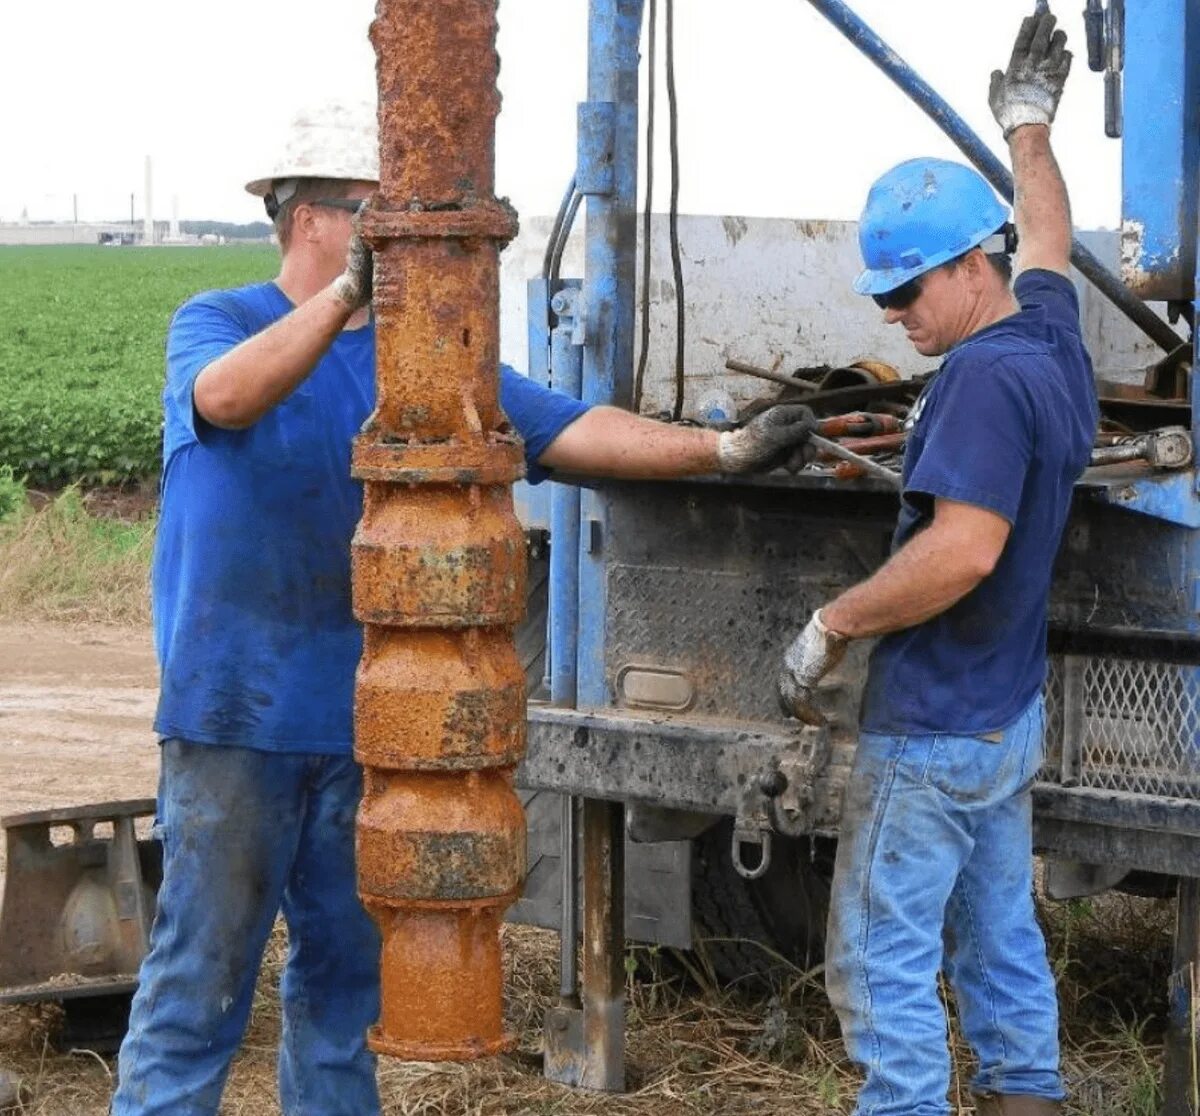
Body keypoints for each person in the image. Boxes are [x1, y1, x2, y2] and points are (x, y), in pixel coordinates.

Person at [110, 103, 816, 1115]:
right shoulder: (219, 321)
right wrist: (354, 290)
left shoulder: (431, 368)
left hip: (375, 735)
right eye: (373, 214)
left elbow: (574, 432)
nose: (400, 240)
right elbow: (225, 400)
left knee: (343, 994)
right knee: (200, 981)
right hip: (234, 717)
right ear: (309, 217)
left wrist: (719, 450)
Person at [778, 10, 1094, 1116]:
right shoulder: (1048, 335)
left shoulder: (977, 383)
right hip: (1003, 718)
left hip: (935, 724)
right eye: (883, 296)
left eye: (909, 289)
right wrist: (1028, 129)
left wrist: (835, 624)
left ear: (970, 265)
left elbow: (962, 551)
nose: (895, 313)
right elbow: (1049, 241)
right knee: (999, 928)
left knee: (878, 959)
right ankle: (1025, 1097)